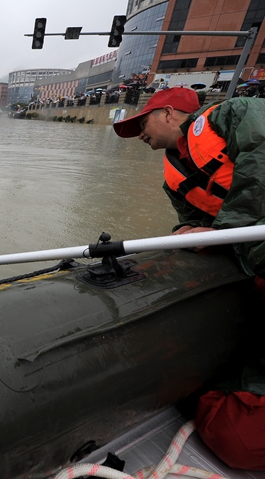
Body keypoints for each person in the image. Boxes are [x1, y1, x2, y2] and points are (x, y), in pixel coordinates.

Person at [114, 87, 265, 469]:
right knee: (234, 436)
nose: (139, 134)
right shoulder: (173, 179)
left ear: (168, 113)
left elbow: (260, 158)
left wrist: (222, 232)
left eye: (142, 123)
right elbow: (194, 222)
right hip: (252, 265)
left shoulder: (234, 113)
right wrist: (188, 235)